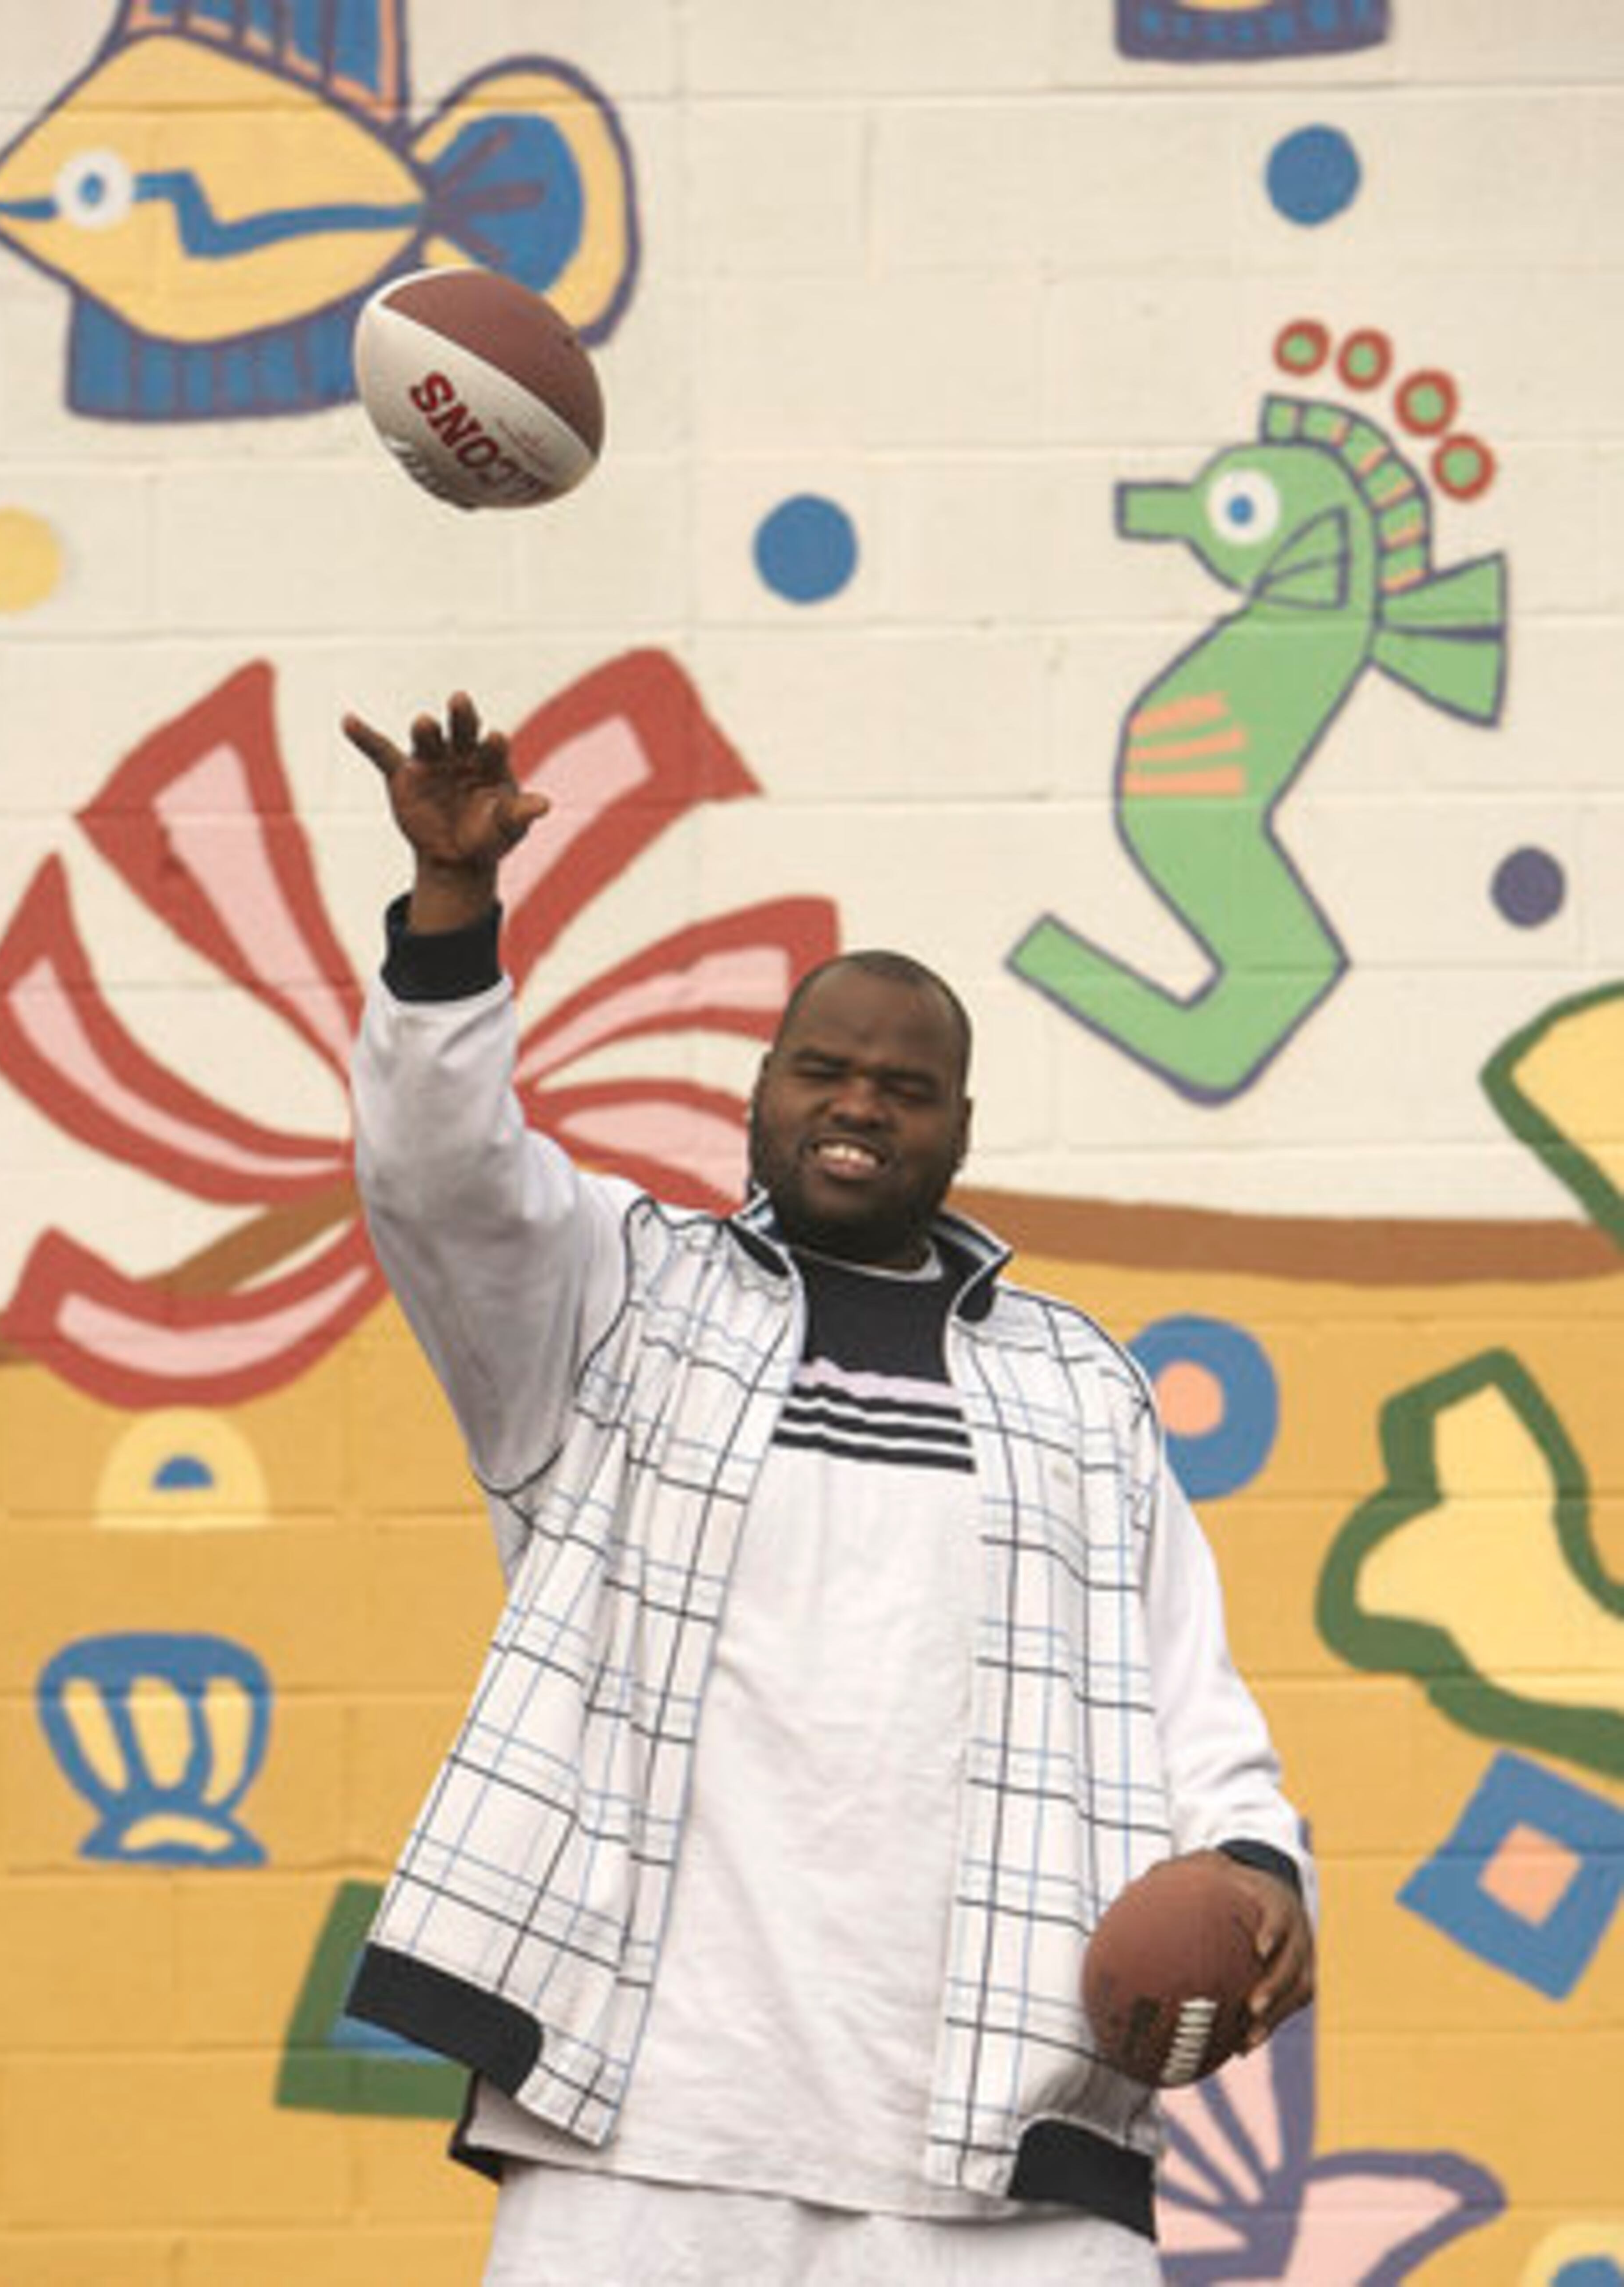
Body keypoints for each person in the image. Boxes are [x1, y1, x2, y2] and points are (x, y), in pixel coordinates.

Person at [340, 691, 1315, 2286]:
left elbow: (1186, 1696)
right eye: (822, 1068)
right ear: (763, 1094)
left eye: (905, 1085)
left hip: (1002, 2142)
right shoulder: (609, 1303)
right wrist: (452, 916)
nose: (859, 1101)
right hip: (638, 2115)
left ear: (960, 1129)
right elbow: (437, 1178)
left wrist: (1261, 1874)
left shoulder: (1078, 1385)